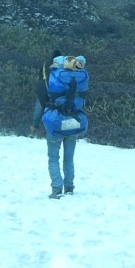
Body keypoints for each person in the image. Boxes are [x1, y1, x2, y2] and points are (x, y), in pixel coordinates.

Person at [41, 55, 88, 199]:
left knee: (53, 157)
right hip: (73, 123)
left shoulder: (54, 77)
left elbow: (44, 98)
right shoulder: (81, 77)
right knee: (69, 158)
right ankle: (69, 187)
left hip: (56, 124)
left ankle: (56, 189)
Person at [30, 50, 62, 136]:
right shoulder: (62, 66)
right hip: (56, 93)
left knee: (39, 109)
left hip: (42, 90)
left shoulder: (45, 64)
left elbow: (40, 77)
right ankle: (54, 130)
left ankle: (34, 128)